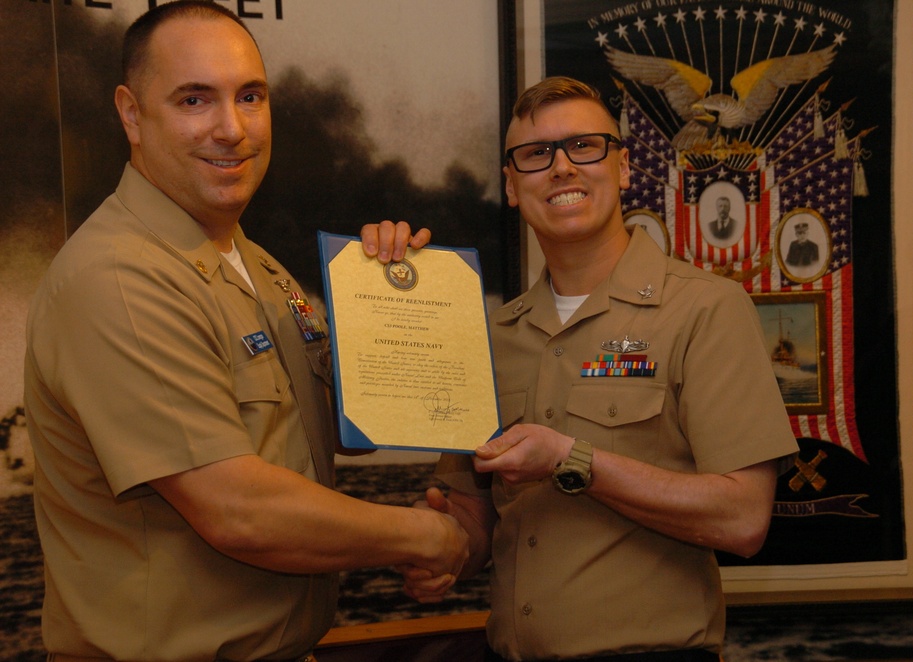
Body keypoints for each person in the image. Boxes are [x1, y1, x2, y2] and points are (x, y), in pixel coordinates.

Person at [23, 2, 467, 660]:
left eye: (250, 96)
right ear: (130, 113)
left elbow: (336, 427)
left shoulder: (254, 264)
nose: (231, 128)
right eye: (195, 99)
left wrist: (389, 303)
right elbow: (239, 509)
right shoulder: (120, 278)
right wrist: (430, 538)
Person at [401, 77, 798, 661]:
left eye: (584, 146)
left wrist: (570, 460)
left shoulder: (705, 308)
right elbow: (475, 515)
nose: (561, 168)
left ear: (624, 167)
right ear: (512, 187)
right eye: (536, 156)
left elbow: (742, 519)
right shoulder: (490, 337)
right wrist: (438, 549)